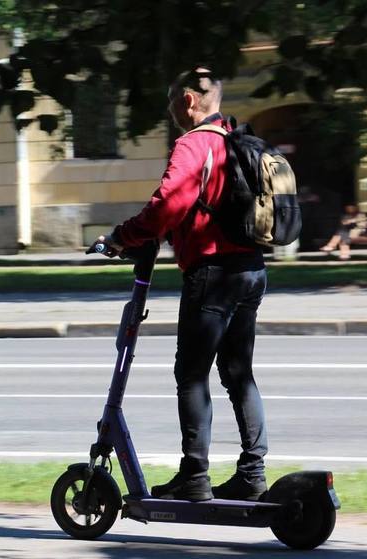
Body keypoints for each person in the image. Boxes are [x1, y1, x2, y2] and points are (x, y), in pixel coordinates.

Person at [91, 68, 268, 502]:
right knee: (238, 372)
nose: (171, 112)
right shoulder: (238, 141)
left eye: (173, 103)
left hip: (213, 273)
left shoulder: (195, 143)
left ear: (188, 100)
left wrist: (119, 238)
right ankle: (252, 472)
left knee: (191, 374)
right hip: (251, 270)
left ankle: (194, 475)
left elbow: (168, 204)